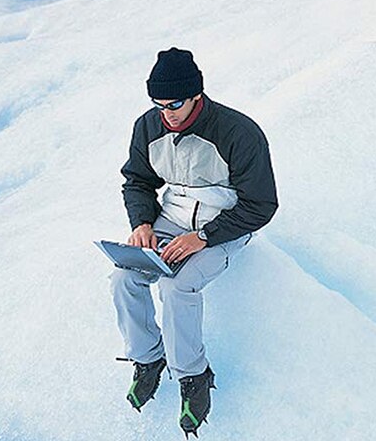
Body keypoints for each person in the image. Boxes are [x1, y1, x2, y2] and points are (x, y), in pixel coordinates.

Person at [111, 48, 279, 437]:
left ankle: (193, 376)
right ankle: (149, 359)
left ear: (197, 97)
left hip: (225, 224)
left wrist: (203, 237)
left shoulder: (239, 133)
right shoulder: (148, 127)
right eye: (159, 104)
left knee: (177, 285)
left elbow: (262, 205)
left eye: (175, 103)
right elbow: (137, 180)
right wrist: (142, 223)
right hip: (170, 220)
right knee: (124, 278)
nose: (167, 112)